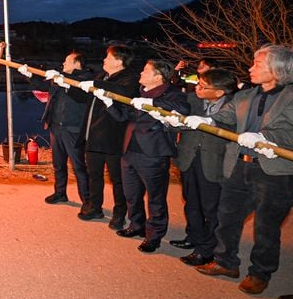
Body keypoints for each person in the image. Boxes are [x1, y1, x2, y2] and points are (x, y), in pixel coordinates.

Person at [185, 45, 293, 295]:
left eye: (257, 64)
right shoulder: (245, 95)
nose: (250, 68)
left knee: (266, 226)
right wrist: (208, 120)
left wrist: (266, 136)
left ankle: (260, 273)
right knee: (227, 216)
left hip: (277, 173)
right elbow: (226, 116)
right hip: (241, 164)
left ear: (278, 69)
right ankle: (226, 262)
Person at [100, 60, 189, 252]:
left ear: (158, 77)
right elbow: (125, 117)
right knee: (131, 194)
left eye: (146, 70)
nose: (141, 73)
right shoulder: (139, 91)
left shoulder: (171, 93)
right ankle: (136, 225)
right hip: (130, 150)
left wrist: (153, 104)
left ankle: (154, 235)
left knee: (156, 198)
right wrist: (109, 103)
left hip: (153, 153)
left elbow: (183, 109)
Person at [166, 69, 238, 265]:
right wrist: (172, 121)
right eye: (198, 83)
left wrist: (208, 122)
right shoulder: (192, 99)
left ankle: (207, 249)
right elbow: (179, 122)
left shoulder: (235, 106)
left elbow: (233, 128)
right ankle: (194, 237)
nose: (197, 88)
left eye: (203, 86)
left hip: (214, 161)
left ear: (219, 92)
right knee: (191, 201)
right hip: (189, 157)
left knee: (211, 206)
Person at [76, 45, 140, 229]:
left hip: (113, 139)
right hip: (93, 136)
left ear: (119, 61)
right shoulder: (101, 77)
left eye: (108, 57)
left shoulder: (129, 79)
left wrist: (97, 85)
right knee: (94, 175)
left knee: (117, 179)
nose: (104, 60)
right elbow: (84, 98)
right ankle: (95, 207)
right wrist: (65, 84)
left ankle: (120, 213)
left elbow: (124, 92)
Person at [17, 52, 91, 209]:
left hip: (73, 129)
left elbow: (80, 95)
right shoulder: (60, 77)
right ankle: (60, 193)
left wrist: (63, 81)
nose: (63, 64)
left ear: (77, 64)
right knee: (58, 164)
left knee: (78, 166)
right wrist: (30, 74)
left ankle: (87, 201)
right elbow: (43, 85)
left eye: (67, 61)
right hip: (56, 126)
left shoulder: (86, 80)